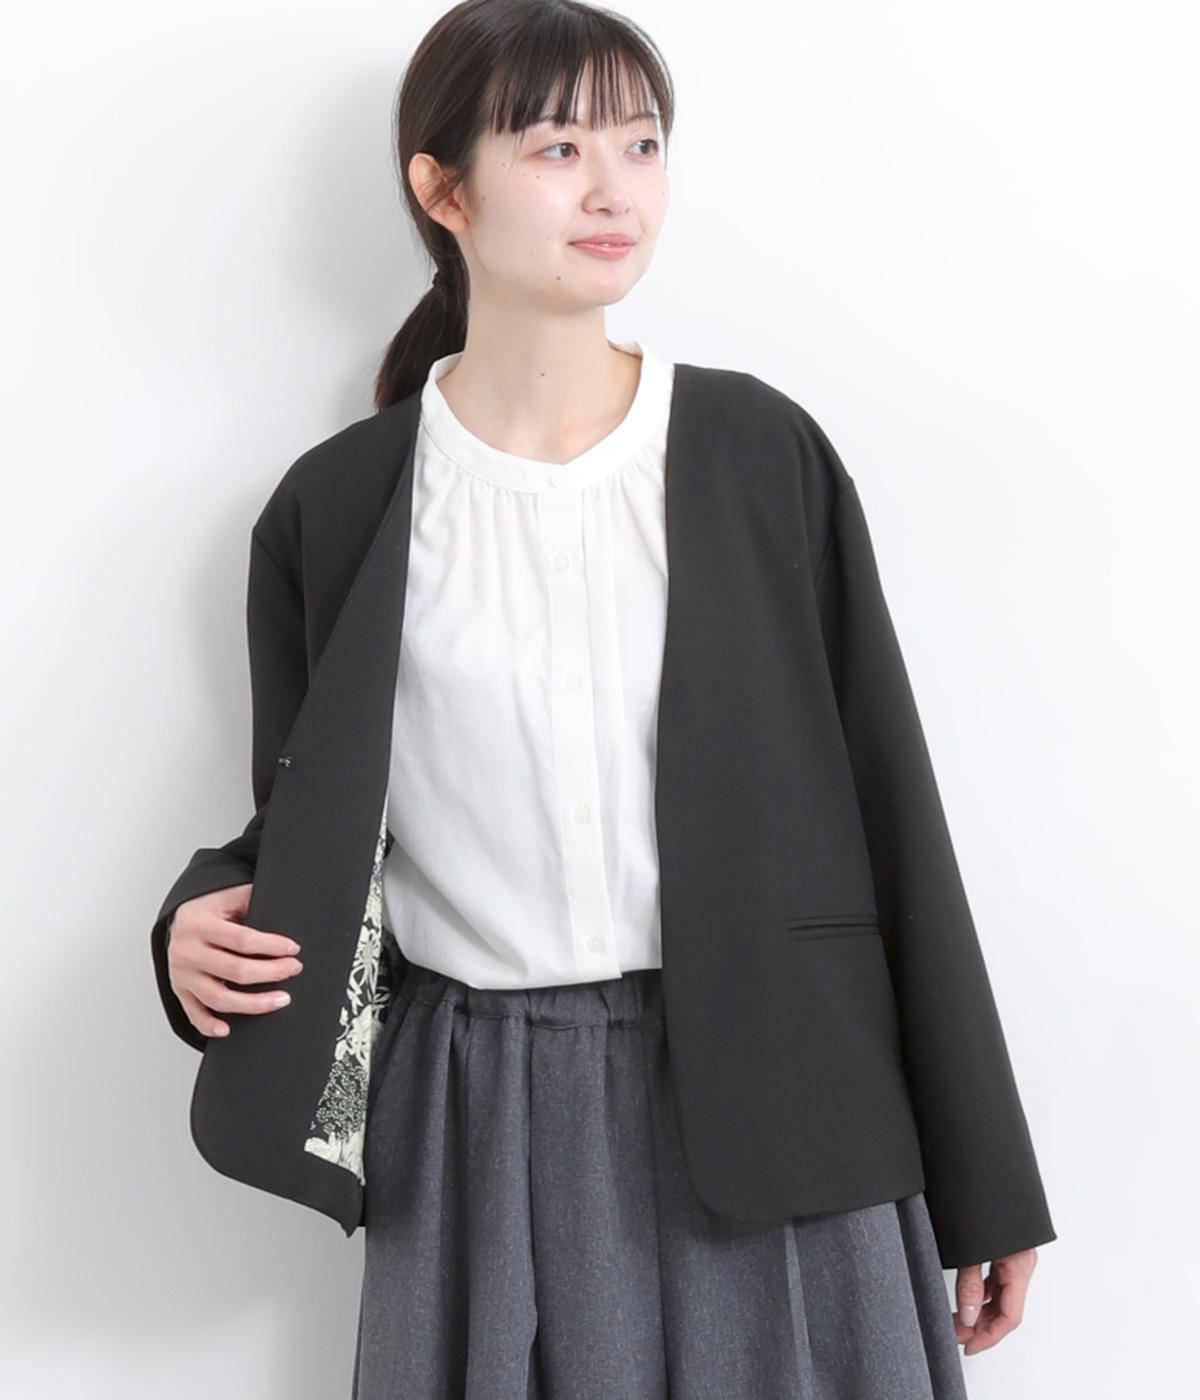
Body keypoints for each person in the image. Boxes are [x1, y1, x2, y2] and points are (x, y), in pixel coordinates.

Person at [157, 2, 1055, 1395]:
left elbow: (894, 812)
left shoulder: (759, 453)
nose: (613, 188)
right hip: (476, 1119)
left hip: (786, 1094)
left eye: (641, 145)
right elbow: (314, 828)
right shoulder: (337, 509)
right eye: (558, 146)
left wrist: (987, 1178)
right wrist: (196, 918)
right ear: (442, 189)